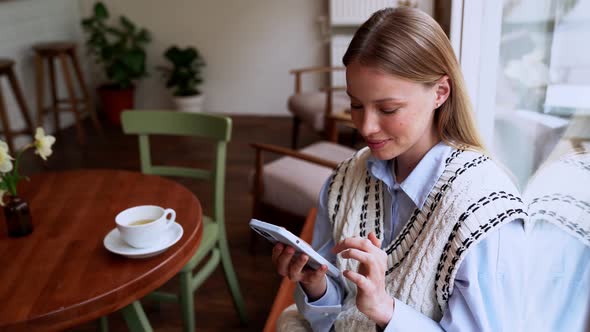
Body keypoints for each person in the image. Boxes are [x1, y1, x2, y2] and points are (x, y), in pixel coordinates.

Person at [271, 7, 528, 332]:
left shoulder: (485, 211)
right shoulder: (344, 182)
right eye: (356, 105)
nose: (366, 127)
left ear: (440, 92)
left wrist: (386, 311)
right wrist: (315, 286)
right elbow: (333, 312)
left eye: (388, 109)